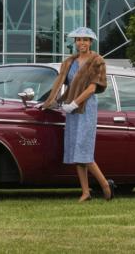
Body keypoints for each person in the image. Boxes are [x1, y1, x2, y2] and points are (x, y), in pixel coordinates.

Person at [42, 26, 114, 202]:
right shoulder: (69, 62)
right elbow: (62, 85)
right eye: (79, 39)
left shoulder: (97, 61)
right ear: (75, 42)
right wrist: (55, 101)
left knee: (84, 149)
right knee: (75, 151)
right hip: (71, 110)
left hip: (86, 108)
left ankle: (106, 185)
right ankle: (85, 192)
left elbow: (92, 88)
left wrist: (75, 103)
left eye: (85, 39)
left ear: (91, 42)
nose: (82, 42)